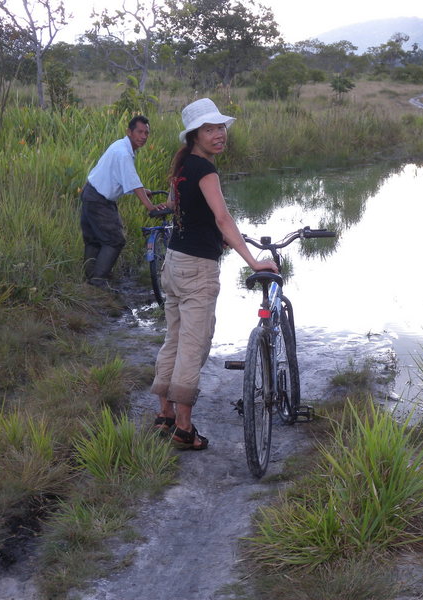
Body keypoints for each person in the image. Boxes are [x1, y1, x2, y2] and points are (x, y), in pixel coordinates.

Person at [150, 98, 277, 450]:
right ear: (195, 135)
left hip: (174, 262)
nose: (219, 134)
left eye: (221, 127)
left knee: (173, 339)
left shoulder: (184, 166)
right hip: (195, 270)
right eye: (210, 129)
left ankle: (165, 415)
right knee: (193, 345)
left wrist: (215, 238)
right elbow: (222, 217)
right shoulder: (205, 171)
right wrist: (254, 261)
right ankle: (184, 429)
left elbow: (188, 214)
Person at [80, 115, 166, 290]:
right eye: (139, 132)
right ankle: (97, 281)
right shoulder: (123, 153)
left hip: (91, 193)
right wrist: (150, 206)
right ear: (129, 132)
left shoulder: (121, 146)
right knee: (114, 240)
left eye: (146, 133)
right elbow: (133, 183)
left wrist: (144, 191)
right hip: (98, 199)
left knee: (94, 240)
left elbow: (127, 179)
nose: (143, 136)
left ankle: (91, 279)